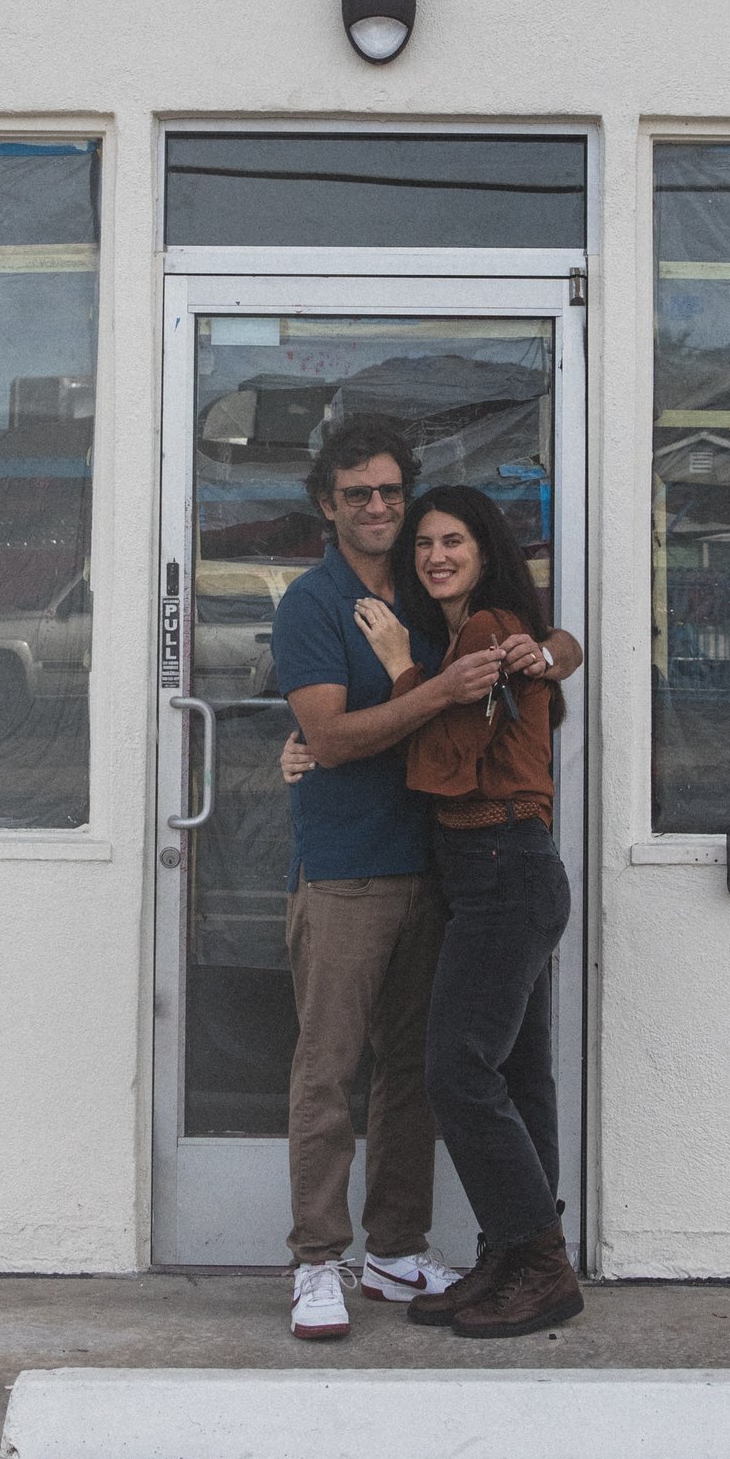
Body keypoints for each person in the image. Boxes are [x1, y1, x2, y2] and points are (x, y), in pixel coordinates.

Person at [266, 421, 517, 1342]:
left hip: (439, 865)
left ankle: (394, 1248)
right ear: (327, 504)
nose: (376, 506)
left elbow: (536, 635)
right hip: (344, 873)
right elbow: (328, 738)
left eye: (389, 491)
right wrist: (433, 695)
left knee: (412, 1074)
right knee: (327, 1072)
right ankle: (315, 1262)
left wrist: (549, 655)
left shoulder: (431, 586)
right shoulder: (312, 604)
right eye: (356, 493)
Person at [354, 483, 585, 1339]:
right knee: (518, 1078)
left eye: (453, 541)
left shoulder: (485, 634)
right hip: (493, 870)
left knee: (458, 1072)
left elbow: (446, 764)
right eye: (423, 545)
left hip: (502, 867)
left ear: (486, 552)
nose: (435, 556)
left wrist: (404, 678)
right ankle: (510, 1254)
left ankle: (540, 1263)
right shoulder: (478, 637)